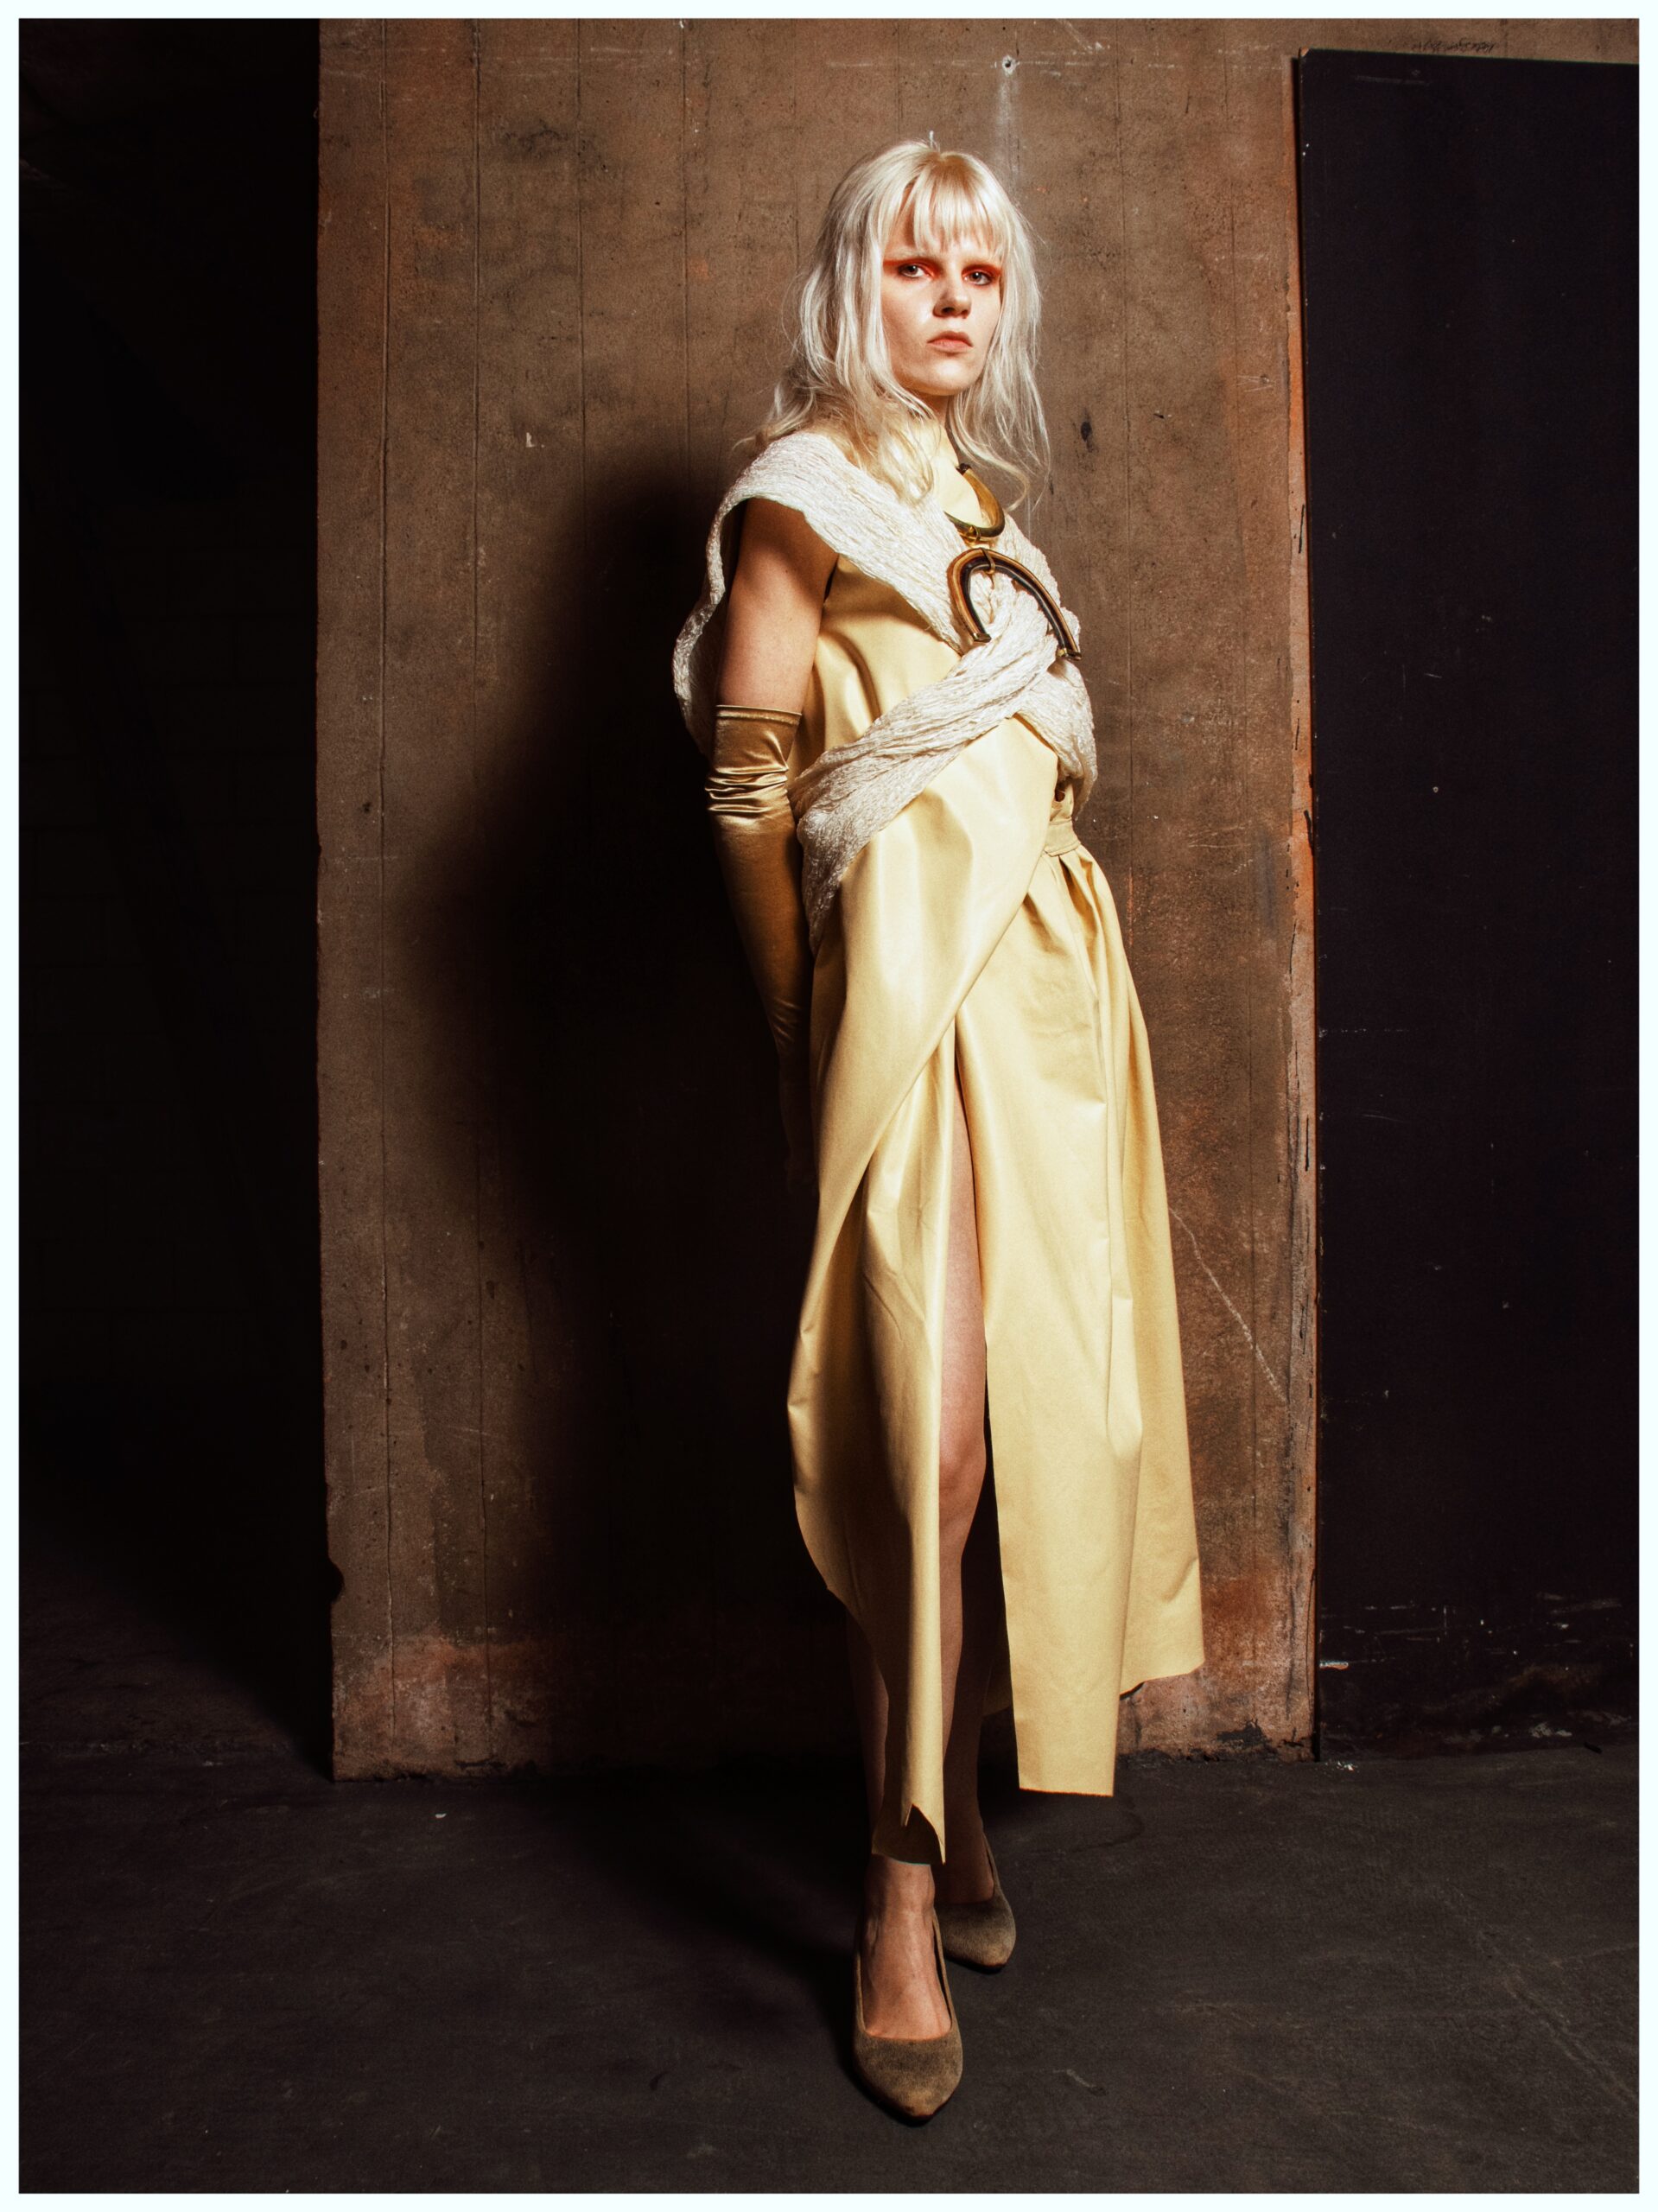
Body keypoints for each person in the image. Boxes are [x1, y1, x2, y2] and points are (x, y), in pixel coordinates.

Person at [673, 141, 1204, 2120]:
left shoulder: (998, 524)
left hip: (1050, 1016)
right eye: (918, 267)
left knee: (1029, 1441)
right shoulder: (796, 500)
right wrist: (805, 1024)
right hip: (902, 1019)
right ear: (854, 284)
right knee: (929, 1442)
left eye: (980, 274)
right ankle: (894, 1903)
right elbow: (753, 788)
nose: (953, 301)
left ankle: (958, 1807)